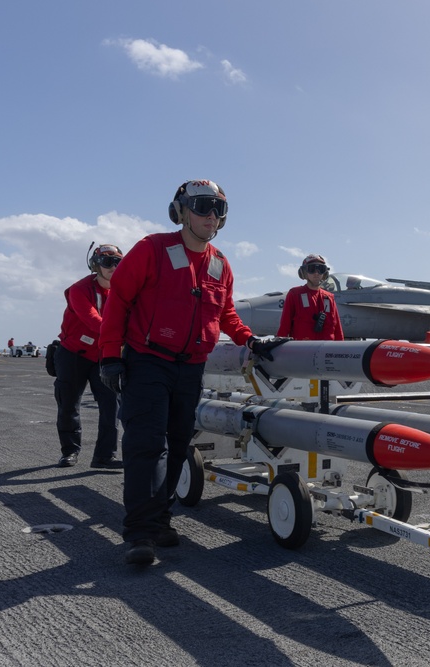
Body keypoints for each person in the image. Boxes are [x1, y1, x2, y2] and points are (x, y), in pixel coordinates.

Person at [99, 179, 286, 566]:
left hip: (191, 367)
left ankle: (161, 518)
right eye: (202, 207)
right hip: (148, 360)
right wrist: (109, 356)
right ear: (180, 211)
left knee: (180, 444)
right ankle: (140, 533)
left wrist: (250, 340)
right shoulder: (152, 249)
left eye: (219, 209)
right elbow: (119, 299)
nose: (211, 216)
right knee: (147, 445)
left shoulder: (219, 263)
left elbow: (225, 313)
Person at [54, 244, 124, 469]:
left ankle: (104, 457)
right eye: (107, 262)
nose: (113, 266)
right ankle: (70, 451)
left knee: (111, 406)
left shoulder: (124, 291)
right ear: (96, 265)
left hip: (103, 354)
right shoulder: (79, 289)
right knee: (68, 404)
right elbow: (93, 320)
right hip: (73, 354)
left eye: (118, 262)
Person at [276, 254, 344, 341]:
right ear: (304, 272)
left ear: (324, 273)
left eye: (320, 269)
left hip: (326, 351)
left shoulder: (329, 298)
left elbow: (337, 329)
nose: (316, 273)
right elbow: (284, 326)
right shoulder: (294, 294)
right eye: (312, 269)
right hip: (303, 350)